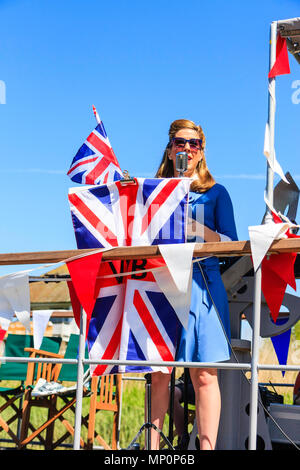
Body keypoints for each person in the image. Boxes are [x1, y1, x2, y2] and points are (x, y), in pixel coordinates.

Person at [149, 118, 238, 450]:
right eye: (179, 143)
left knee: (203, 374)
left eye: (193, 144)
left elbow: (233, 244)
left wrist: (201, 231)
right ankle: (153, 451)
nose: (186, 149)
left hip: (203, 286)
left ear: (201, 152)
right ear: (170, 150)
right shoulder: (153, 193)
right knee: (159, 372)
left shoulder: (216, 193)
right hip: (161, 286)